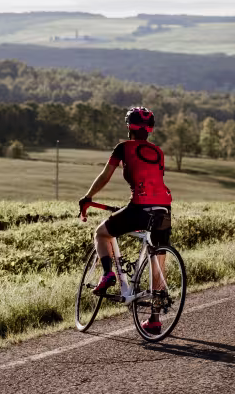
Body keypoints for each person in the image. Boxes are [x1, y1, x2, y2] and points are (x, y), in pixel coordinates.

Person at [78, 106, 172, 335]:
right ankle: (155, 320)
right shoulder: (158, 152)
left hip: (139, 206)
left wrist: (88, 197)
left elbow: (105, 176)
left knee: (101, 233)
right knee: (158, 261)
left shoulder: (123, 147)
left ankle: (108, 274)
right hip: (163, 208)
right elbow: (153, 181)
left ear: (129, 127)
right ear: (150, 130)